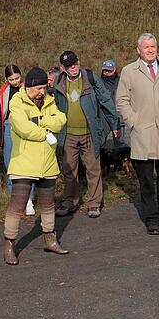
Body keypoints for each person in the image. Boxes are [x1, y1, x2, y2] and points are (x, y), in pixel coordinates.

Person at [116, 33, 159, 235]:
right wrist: (134, 122)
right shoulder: (129, 71)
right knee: (146, 181)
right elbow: (121, 101)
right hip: (143, 134)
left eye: (153, 46)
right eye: (146, 47)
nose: (150, 50)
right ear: (138, 50)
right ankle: (151, 219)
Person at [3, 67, 68, 265]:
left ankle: (50, 239)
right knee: (17, 206)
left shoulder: (50, 100)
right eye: (38, 88)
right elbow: (23, 128)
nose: (42, 92)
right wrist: (45, 132)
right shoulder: (16, 101)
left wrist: (40, 121)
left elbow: (61, 120)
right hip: (24, 162)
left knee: (48, 204)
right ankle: (9, 245)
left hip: (47, 162)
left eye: (44, 88)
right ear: (28, 87)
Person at [53, 51, 120, 219]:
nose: (73, 66)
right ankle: (70, 202)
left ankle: (94, 203)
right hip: (67, 134)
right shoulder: (58, 81)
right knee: (69, 170)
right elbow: (52, 106)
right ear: (63, 68)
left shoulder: (90, 78)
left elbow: (105, 100)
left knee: (93, 168)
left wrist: (114, 124)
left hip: (90, 132)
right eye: (69, 65)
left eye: (75, 62)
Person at [0, 65, 35, 215]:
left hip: (27, 126)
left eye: (17, 78)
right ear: (7, 80)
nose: (15, 82)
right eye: (11, 80)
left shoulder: (30, 87)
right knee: (10, 165)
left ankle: (29, 200)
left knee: (28, 164)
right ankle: (15, 201)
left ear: (21, 75)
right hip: (8, 127)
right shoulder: (2, 92)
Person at [99, 58, 128, 173]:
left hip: (118, 118)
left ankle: (119, 165)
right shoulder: (99, 82)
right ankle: (102, 166)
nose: (107, 73)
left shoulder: (121, 82)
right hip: (104, 117)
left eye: (109, 71)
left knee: (119, 143)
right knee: (102, 143)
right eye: (105, 70)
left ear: (114, 70)